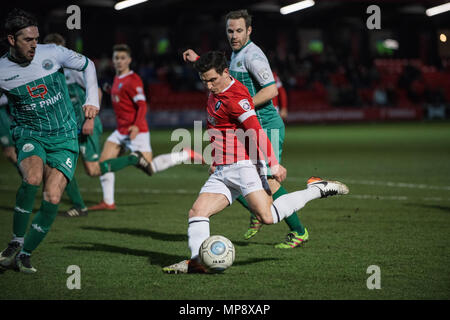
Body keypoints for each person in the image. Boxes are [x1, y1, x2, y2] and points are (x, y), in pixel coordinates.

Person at [163, 51, 348, 273]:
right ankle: (197, 262)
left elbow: (256, 132)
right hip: (222, 168)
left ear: (225, 72)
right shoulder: (217, 79)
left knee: (267, 217)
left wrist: (274, 164)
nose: (209, 86)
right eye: (205, 81)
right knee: (197, 212)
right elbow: (213, 72)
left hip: (243, 166)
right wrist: (197, 60)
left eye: (213, 80)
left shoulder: (236, 100)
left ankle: (316, 189)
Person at [183, 9, 308, 248]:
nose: (234, 35)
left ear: (249, 30)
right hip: (246, 127)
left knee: (270, 182)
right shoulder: (235, 54)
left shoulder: (253, 56)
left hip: (264, 124)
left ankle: (299, 231)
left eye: (239, 30)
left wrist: (240, 106)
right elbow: (219, 74)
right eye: (230, 31)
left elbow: (271, 91)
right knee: (222, 172)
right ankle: (257, 206)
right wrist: (198, 60)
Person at [0, 8, 100, 273]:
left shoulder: (52, 53)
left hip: (65, 135)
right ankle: (16, 241)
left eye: (36, 38)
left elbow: (88, 64)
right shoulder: (1, 71)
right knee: (32, 178)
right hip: (30, 133)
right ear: (11, 40)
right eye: (27, 40)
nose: (34, 44)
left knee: (53, 197)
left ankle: (25, 254)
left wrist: (92, 101)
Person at [43, 33, 155, 218]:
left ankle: (133, 159)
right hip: (66, 127)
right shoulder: (48, 73)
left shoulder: (73, 71)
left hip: (85, 125)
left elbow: (95, 90)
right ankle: (80, 206)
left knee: (93, 170)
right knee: (57, 164)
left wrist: (90, 119)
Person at [89, 44, 203, 211]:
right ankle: (108, 202)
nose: (119, 61)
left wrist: (135, 126)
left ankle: (184, 154)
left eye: (122, 58)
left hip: (137, 131)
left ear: (129, 60)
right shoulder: (116, 79)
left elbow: (142, 105)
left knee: (150, 169)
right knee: (104, 163)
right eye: (116, 58)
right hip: (120, 131)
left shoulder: (133, 80)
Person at [0, 95, 17, 165]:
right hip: (6, 107)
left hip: (4, 109)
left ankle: (31, 174)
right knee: (8, 151)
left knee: (10, 149)